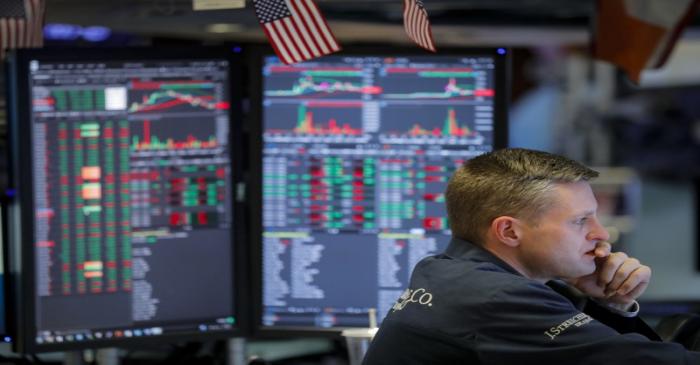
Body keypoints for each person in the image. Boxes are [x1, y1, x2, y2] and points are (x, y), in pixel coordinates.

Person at [363, 148, 700, 364]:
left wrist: (610, 306)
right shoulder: (495, 298)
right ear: (509, 232)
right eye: (581, 221)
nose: (601, 234)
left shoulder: (445, 272)